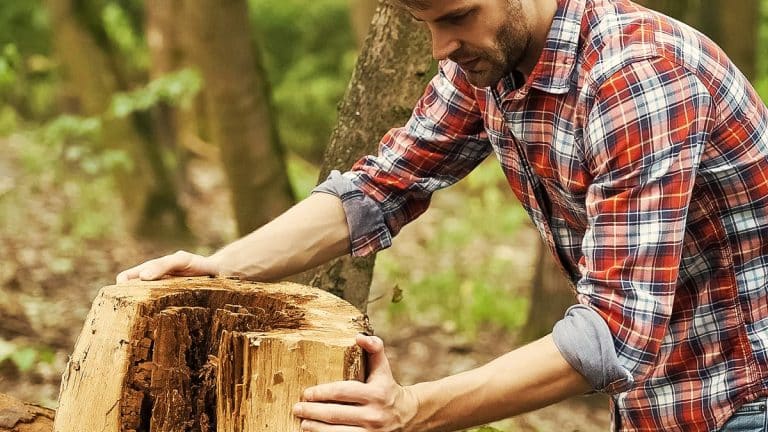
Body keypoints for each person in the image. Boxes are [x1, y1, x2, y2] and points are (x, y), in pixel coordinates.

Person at [117, 0, 768, 430]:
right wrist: (219, 269)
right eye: (424, 22)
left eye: (456, 15)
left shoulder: (637, 81)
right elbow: (380, 188)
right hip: (663, 402)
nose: (440, 46)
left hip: (744, 401)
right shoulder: (490, 64)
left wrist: (411, 409)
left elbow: (615, 331)